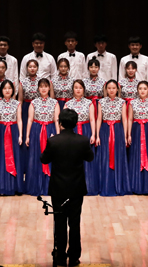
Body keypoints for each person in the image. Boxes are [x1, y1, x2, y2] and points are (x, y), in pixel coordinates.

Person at [40, 109, 94, 267]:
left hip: (58, 189)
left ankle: (60, 257)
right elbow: (90, 158)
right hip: (76, 188)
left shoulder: (53, 141)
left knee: (60, 222)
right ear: (75, 123)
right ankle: (74, 257)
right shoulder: (82, 141)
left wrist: (50, 143)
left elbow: (44, 159)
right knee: (75, 223)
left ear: (60, 123)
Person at [0, 80, 25, 195]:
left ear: (13, 90)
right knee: (1, 158)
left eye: (9, 88)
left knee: (15, 157)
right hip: (1, 131)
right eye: (5, 88)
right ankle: (1, 187)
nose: (7, 90)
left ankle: (15, 187)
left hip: (13, 131)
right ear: (1, 91)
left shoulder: (17, 104)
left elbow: (19, 120)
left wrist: (20, 135)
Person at [25, 79, 60, 196]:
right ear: (38, 88)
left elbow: (57, 120)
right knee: (36, 157)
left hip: (50, 130)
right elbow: (30, 120)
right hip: (36, 131)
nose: (43, 89)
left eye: (45, 86)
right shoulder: (33, 102)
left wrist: (58, 135)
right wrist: (27, 136)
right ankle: (35, 186)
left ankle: (50, 186)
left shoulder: (55, 102)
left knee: (51, 158)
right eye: (41, 86)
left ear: (49, 88)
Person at [64, 80, 98, 195]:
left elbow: (92, 119)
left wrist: (93, 134)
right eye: (76, 87)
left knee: (86, 159)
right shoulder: (68, 104)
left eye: (80, 88)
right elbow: (63, 122)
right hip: (72, 132)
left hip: (86, 131)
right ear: (73, 89)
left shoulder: (89, 103)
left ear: (84, 90)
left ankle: (88, 186)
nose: (78, 90)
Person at [95, 80, 128, 196]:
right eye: (109, 88)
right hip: (105, 130)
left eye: (113, 88)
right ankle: (105, 185)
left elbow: (124, 120)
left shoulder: (122, 102)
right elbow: (99, 119)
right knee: (105, 156)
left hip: (118, 130)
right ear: (106, 89)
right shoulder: (101, 102)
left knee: (117, 156)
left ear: (117, 89)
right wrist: (97, 135)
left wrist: (125, 136)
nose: (111, 90)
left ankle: (118, 185)